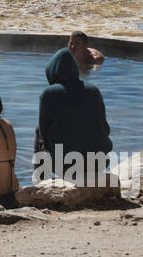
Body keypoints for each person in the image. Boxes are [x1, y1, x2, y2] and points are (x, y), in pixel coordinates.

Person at [34, 47, 112, 185]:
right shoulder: (93, 90)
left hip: (67, 165)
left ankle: (41, 182)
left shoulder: (49, 93)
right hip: (99, 162)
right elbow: (105, 128)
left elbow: (44, 132)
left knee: (38, 131)